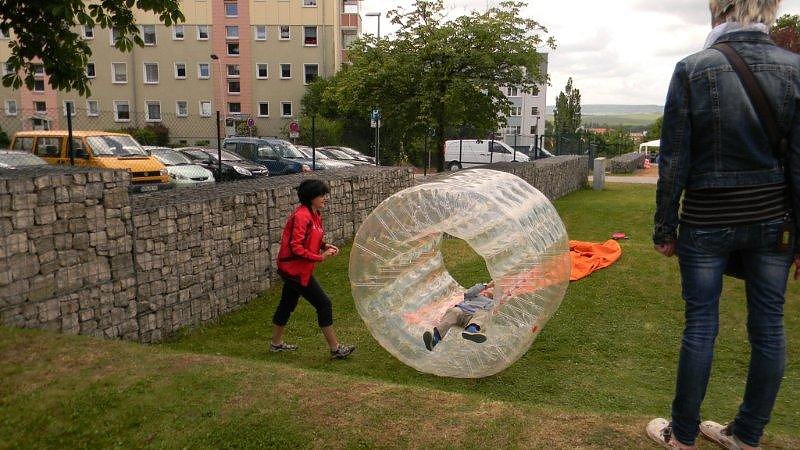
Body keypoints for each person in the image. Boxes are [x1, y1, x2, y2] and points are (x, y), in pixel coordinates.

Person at [649, 1, 800, 449]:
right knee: (769, 327)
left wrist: (665, 227)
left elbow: (674, 158)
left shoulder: (693, 68)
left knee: (700, 325)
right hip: (773, 219)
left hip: (707, 218)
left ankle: (682, 436)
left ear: (721, 11)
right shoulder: (795, 69)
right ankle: (747, 437)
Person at [270, 179, 355, 359]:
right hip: (294, 270)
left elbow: (312, 236)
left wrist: (324, 245)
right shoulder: (302, 216)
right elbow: (296, 247)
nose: (325, 198)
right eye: (321, 195)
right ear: (311, 197)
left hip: (299, 269)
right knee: (324, 303)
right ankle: (335, 349)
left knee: (287, 304)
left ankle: (276, 344)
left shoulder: (314, 214)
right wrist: (320, 257)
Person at [423, 281, 495, 351]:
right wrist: (487, 285)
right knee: (454, 311)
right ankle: (434, 339)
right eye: (493, 288)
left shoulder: (492, 302)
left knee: (483, 313)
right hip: (461, 313)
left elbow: (492, 311)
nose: (493, 289)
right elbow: (468, 293)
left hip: (472, 319)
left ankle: (471, 330)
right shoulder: (475, 295)